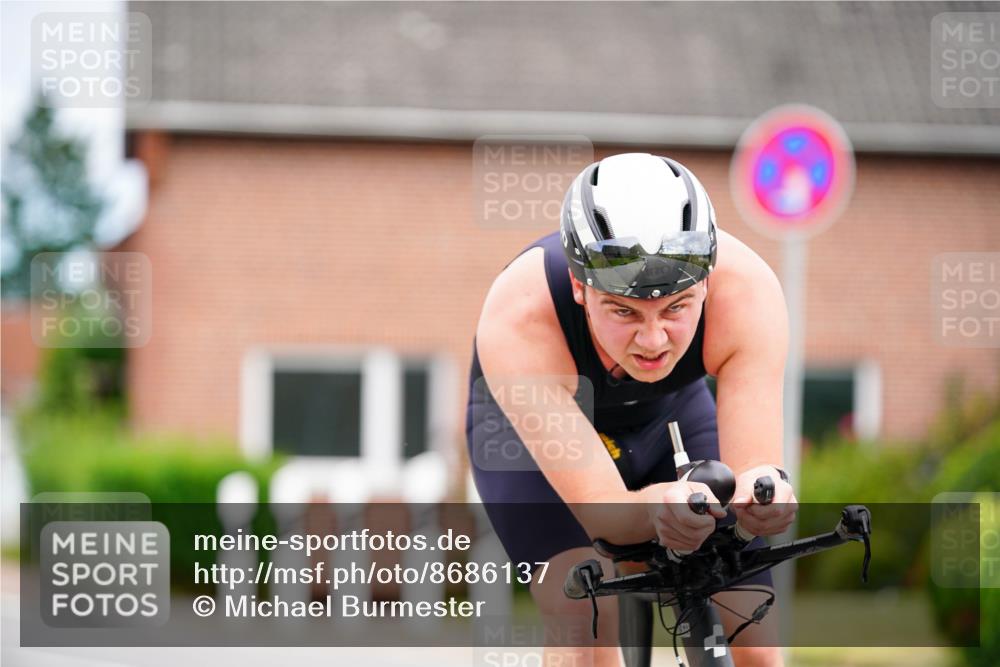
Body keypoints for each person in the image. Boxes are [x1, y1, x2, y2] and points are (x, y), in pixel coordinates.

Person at [467, 152, 798, 667]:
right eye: (623, 310)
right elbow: (607, 514)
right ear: (580, 286)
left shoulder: (749, 294)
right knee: (583, 621)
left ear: (707, 281)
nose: (653, 340)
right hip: (530, 437)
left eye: (676, 309)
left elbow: (755, 469)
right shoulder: (521, 316)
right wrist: (656, 506)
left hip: (667, 416)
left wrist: (764, 496)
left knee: (753, 628)